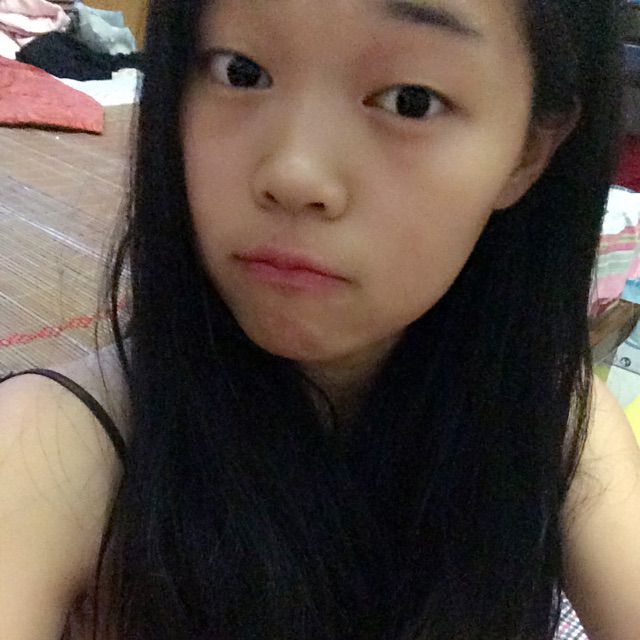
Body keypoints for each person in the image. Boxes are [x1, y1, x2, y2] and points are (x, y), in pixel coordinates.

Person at [1, 0, 639, 638]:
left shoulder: (549, 416)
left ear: (529, 150)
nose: (294, 174)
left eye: (411, 101)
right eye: (241, 72)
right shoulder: (50, 451)